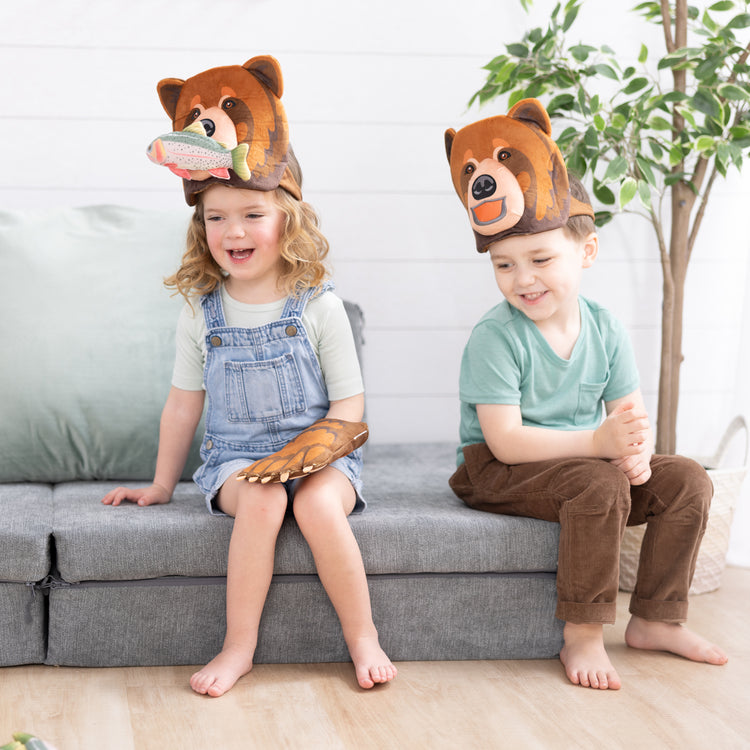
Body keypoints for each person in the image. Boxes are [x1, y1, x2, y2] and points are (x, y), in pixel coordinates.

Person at [102, 56, 396, 697]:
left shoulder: (319, 305)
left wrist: (307, 456)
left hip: (320, 453)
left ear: (288, 217)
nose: (232, 230)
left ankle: (363, 636)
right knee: (262, 498)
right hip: (236, 457)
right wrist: (159, 485)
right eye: (216, 217)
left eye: (251, 215)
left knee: (316, 503)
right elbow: (183, 405)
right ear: (200, 224)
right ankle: (239, 647)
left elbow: (349, 407)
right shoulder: (199, 312)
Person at [444, 98, 728, 690]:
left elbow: (627, 411)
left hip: (583, 460)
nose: (522, 279)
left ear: (586, 252)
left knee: (687, 481)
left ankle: (656, 618)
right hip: (498, 469)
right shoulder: (496, 338)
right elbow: (506, 441)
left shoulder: (605, 326)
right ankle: (583, 632)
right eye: (504, 265)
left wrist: (631, 450)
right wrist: (600, 449)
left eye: (540, 259)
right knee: (597, 482)